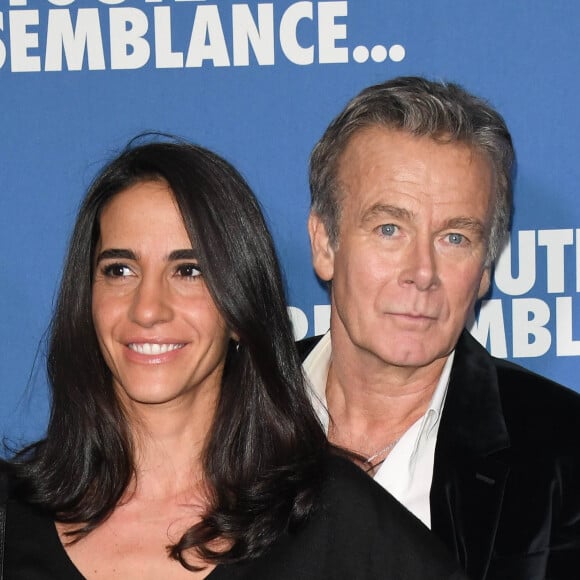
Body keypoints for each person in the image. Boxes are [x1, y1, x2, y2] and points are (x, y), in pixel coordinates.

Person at [1, 137, 467, 579]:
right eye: (120, 270)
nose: (147, 309)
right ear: (86, 300)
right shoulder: (11, 515)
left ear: (238, 309)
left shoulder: (333, 517)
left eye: (188, 271)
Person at [300, 76, 580, 580]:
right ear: (325, 243)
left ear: (485, 267)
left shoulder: (565, 453)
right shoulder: (224, 411)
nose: (422, 272)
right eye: (390, 229)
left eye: (454, 237)